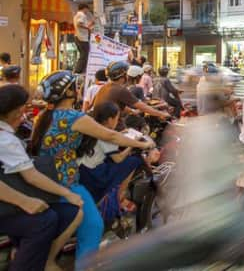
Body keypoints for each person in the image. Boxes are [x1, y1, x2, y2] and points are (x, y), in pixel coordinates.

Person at [32, 70, 156, 264]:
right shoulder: (73, 117)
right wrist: (143, 144)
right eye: (75, 86)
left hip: (44, 178)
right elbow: (111, 136)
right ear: (70, 92)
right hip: (66, 181)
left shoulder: (44, 116)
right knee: (93, 225)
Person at [0, 84, 83, 271]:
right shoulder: (5, 139)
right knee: (45, 221)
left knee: (60, 213)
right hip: (8, 205)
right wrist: (25, 201)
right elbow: (31, 176)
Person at [78, 101, 158, 209]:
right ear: (110, 119)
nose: (118, 121)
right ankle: (120, 196)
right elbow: (118, 159)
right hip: (94, 175)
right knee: (134, 160)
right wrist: (132, 146)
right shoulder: (107, 134)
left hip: (83, 169)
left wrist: (121, 134)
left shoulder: (95, 127)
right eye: (117, 118)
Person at [94, 61, 170, 130]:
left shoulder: (105, 87)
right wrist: (161, 114)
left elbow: (116, 104)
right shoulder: (121, 89)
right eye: (127, 73)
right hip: (114, 128)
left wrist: (132, 111)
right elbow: (143, 107)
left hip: (102, 126)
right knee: (146, 143)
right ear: (123, 75)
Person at [73, 4, 94, 74]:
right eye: (87, 9)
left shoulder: (77, 15)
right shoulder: (82, 15)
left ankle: (79, 71)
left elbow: (82, 24)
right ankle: (78, 71)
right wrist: (88, 28)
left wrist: (90, 24)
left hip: (78, 37)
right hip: (82, 38)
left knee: (83, 54)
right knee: (84, 55)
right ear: (84, 8)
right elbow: (79, 24)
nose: (87, 11)